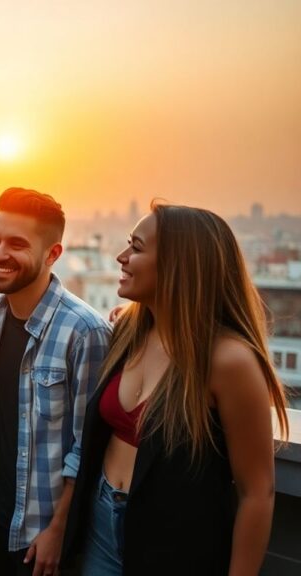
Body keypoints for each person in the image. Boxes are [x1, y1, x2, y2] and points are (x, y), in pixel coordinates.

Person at [63, 203, 290, 575]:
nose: (121, 257)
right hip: (99, 530)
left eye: (136, 247)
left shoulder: (227, 361)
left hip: (176, 548)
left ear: (178, 264)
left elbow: (257, 492)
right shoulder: (128, 333)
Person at [0, 188, 109, 576]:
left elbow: (86, 448)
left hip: (41, 539)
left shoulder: (85, 331)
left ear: (53, 254)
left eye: (16, 244)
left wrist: (58, 531)